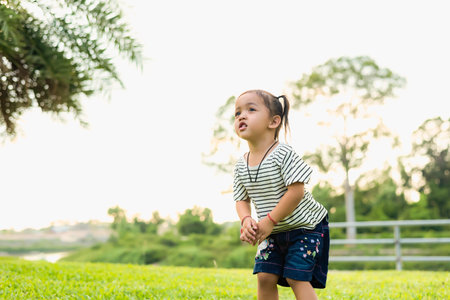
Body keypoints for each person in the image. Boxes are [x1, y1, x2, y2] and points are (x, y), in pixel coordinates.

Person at [232, 89, 329, 300]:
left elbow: (296, 192)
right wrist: (246, 219)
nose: (241, 115)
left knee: (297, 277)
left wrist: (270, 220)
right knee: (265, 276)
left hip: (306, 228)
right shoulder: (241, 165)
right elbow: (241, 199)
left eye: (251, 109)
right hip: (273, 229)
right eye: (237, 112)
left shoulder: (283, 154)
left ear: (274, 121)